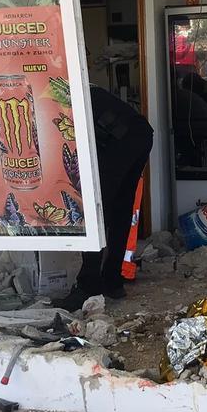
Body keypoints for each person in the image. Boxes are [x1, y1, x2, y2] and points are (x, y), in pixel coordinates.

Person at [54, 85, 153, 312]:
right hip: (140, 135)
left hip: (124, 140)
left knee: (94, 209)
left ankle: (88, 286)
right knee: (120, 208)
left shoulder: (68, 100)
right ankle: (112, 280)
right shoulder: (83, 90)